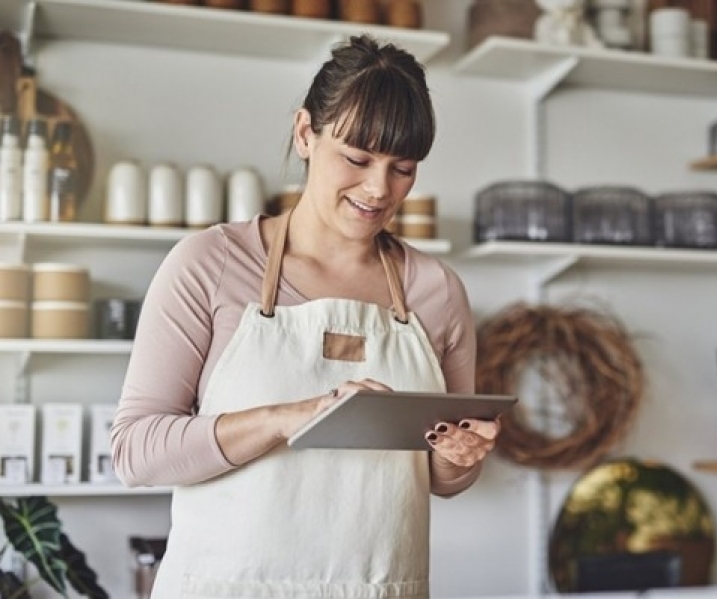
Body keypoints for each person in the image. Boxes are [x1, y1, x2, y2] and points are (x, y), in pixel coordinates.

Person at [111, 34, 500, 599]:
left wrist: (459, 459)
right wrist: (287, 418)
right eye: (357, 158)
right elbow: (135, 452)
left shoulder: (436, 292)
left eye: (403, 168)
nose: (379, 189)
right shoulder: (212, 264)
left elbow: (444, 479)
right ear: (304, 134)